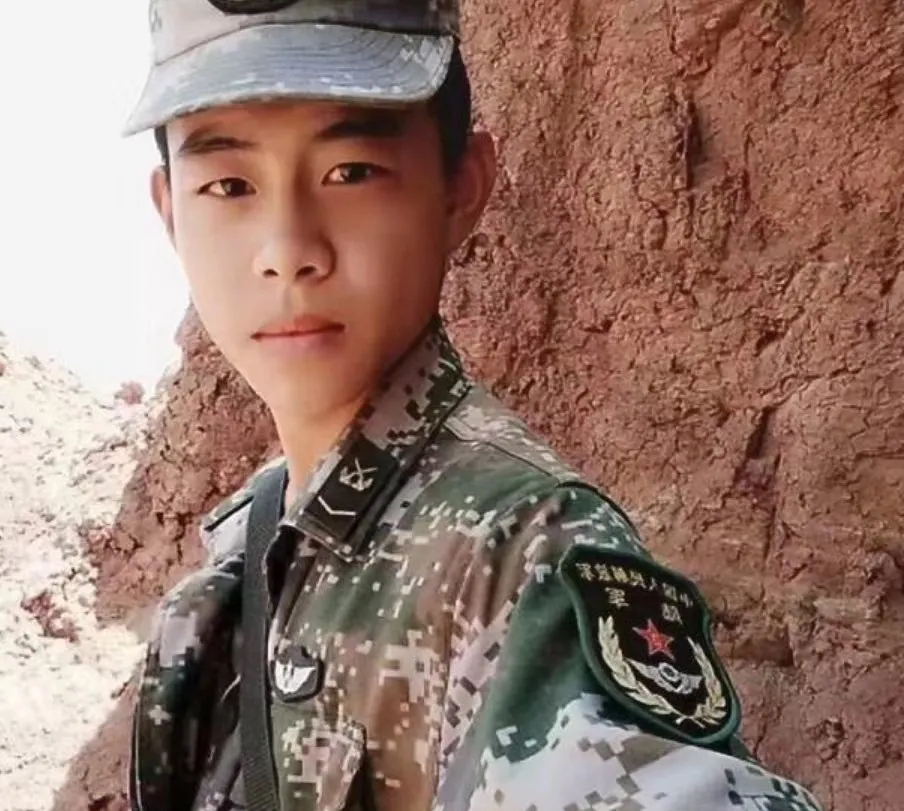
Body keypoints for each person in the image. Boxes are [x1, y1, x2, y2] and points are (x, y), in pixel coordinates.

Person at [122, 1, 825, 809]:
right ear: (171, 211)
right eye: (230, 185)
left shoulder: (529, 553)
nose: (289, 250)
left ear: (462, 188)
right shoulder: (259, 534)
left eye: (351, 172)